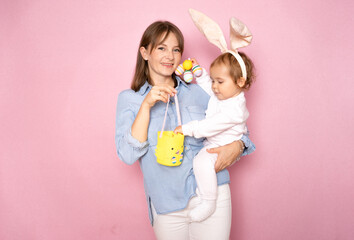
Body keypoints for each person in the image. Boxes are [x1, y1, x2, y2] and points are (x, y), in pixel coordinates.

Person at [115, 20, 255, 240]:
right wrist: (146, 106)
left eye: (176, 49)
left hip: (213, 195)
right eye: (161, 48)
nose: (170, 56)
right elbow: (128, 154)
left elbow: (236, 124)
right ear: (145, 52)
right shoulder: (130, 100)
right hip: (167, 203)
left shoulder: (200, 91)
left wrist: (238, 145)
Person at [174, 54, 255, 222]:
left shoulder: (234, 110)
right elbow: (211, 91)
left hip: (221, 145)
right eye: (213, 81)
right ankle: (204, 189)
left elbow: (209, 126)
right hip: (216, 141)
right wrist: (201, 75)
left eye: (220, 81)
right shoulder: (226, 95)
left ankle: (208, 202)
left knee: (201, 162)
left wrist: (188, 129)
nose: (215, 87)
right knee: (200, 164)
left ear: (240, 82)